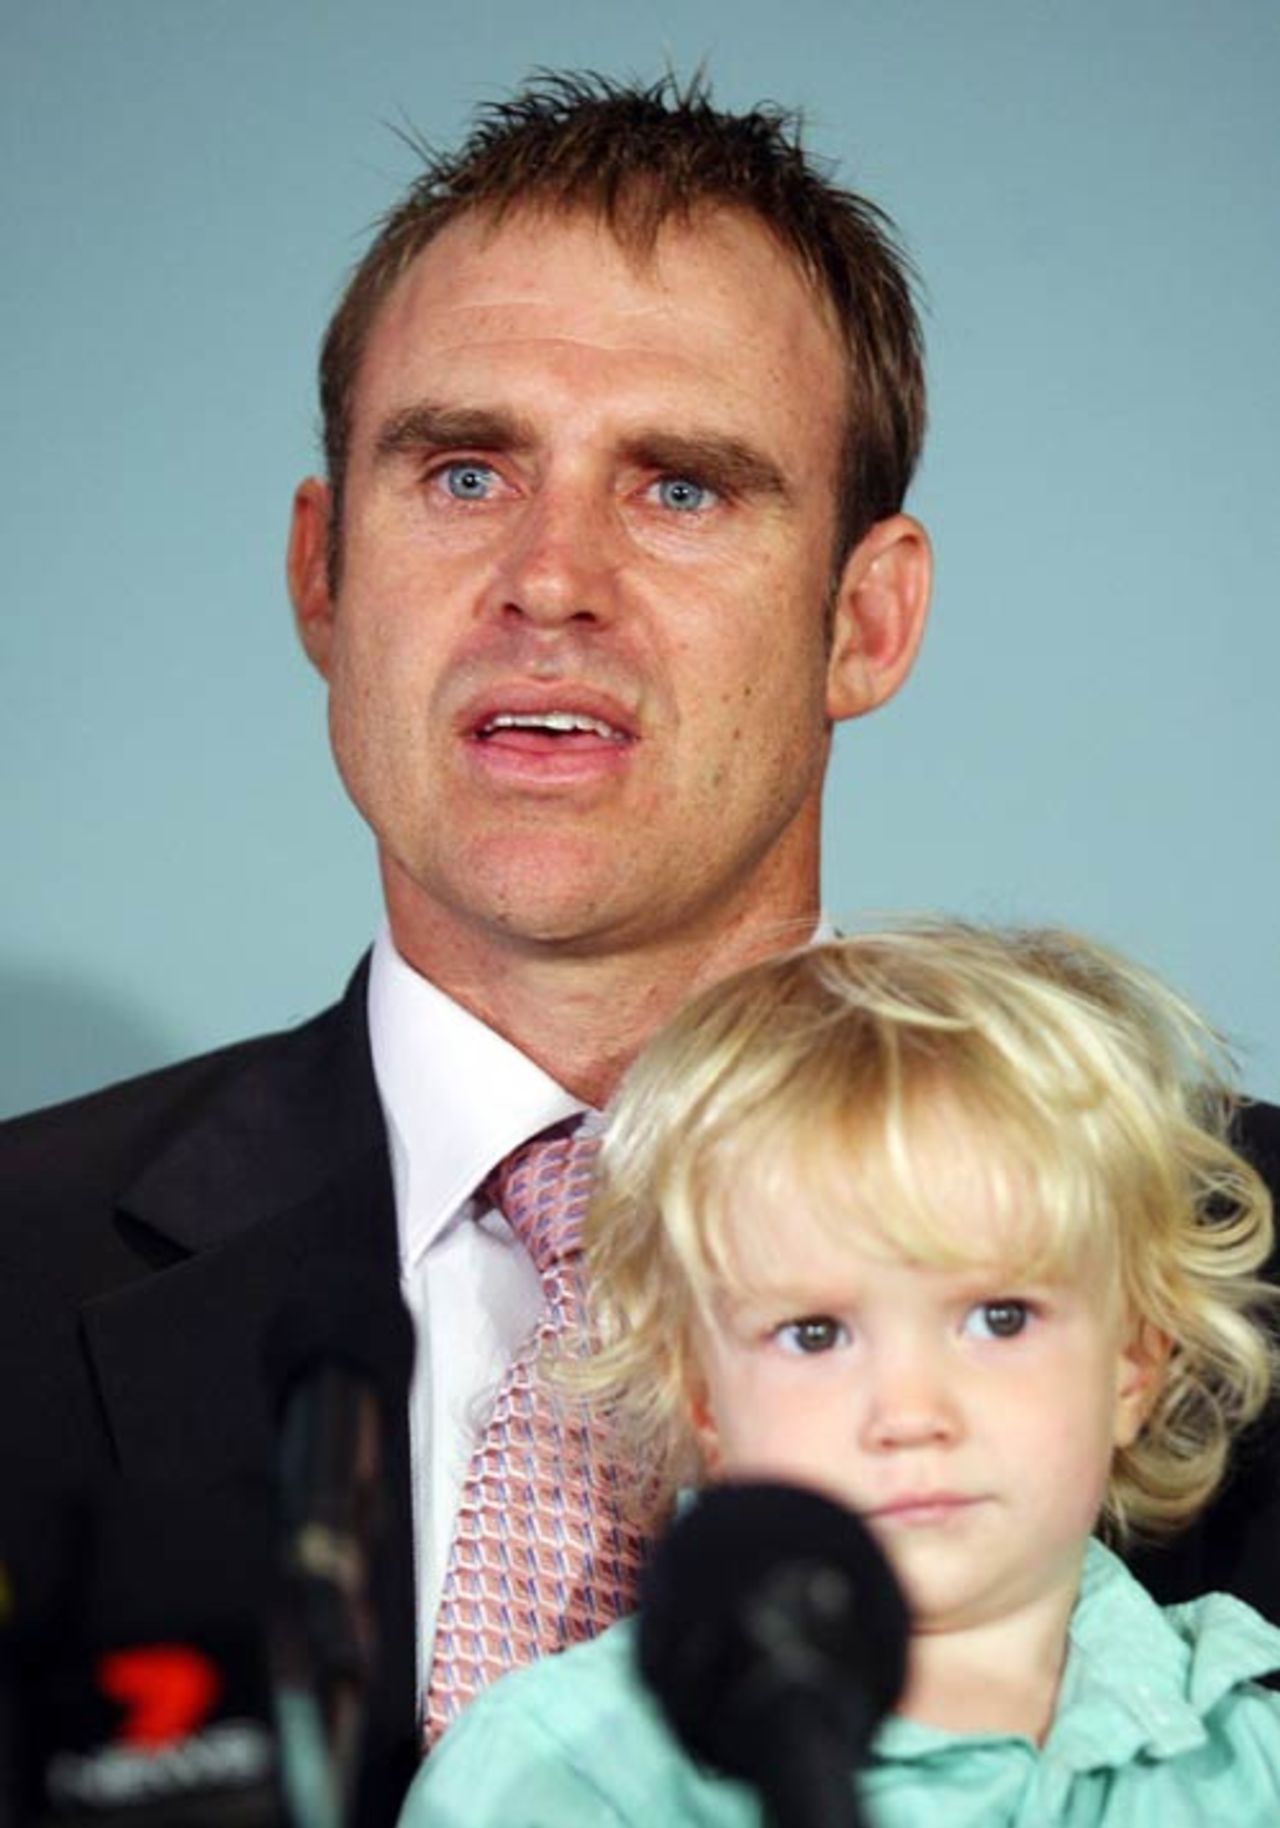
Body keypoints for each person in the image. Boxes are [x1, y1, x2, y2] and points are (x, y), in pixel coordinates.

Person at [0, 68, 1275, 1821]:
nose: (549, 579)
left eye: (679, 488)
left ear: (866, 616)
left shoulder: (1227, 1244)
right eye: (462, 470)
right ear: (322, 575)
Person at [402, 922, 1280, 1826]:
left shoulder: (1247, 1754)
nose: (909, 1413)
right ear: (702, 1398)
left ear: (1135, 1362)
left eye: (999, 1319)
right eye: (815, 1335)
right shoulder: (557, 1773)